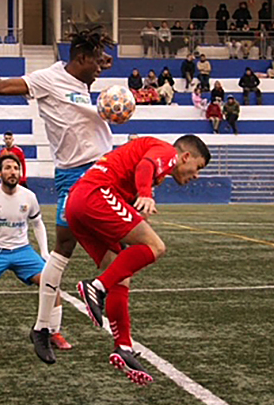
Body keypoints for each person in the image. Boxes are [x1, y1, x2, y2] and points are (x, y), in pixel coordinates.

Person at [0, 17, 114, 365]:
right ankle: (43, 327)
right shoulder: (48, 78)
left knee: (117, 252)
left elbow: (90, 87)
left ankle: (117, 332)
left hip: (102, 172)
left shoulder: (84, 79)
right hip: (73, 178)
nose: (100, 71)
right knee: (63, 250)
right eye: (96, 62)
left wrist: (103, 68)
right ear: (80, 59)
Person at [71, 135, 210, 384]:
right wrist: (146, 194)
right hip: (96, 195)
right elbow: (146, 165)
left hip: (78, 204)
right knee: (155, 246)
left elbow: (135, 167)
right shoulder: (169, 153)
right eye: (197, 167)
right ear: (186, 157)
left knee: (121, 276)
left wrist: (137, 207)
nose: (196, 175)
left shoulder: (152, 151)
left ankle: (123, 346)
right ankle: (96, 287)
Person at [0, 154, 71, 353]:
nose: (12, 172)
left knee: (51, 282)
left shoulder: (28, 196)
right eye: (7, 168)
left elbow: (37, 224)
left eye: (16, 168)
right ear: (0, 173)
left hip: (22, 251)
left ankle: (54, 332)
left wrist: (44, 252)